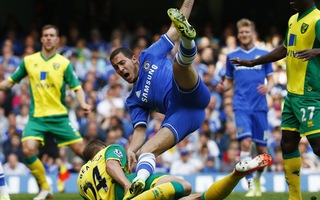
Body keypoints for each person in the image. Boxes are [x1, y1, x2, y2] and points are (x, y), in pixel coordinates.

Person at [109, 0, 211, 198]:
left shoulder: (149, 55)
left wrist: (189, 1)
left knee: (178, 67)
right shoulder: (133, 100)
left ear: (134, 59)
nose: (120, 69)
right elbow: (140, 130)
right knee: (146, 150)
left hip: (190, 92)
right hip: (182, 115)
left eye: (122, 63)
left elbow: (175, 27)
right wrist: (131, 149)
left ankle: (188, 39)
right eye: (116, 68)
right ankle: (138, 184)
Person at [230, 1, 320, 199]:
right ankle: (294, 197)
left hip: (311, 94)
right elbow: (284, 49)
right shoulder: (292, 20)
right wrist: (254, 62)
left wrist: (317, 51)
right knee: (287, 144)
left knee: (317, 145)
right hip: (292, 95)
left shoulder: (317, 20)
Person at [0, 24, 91, 200]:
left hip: (59, 117)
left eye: (52, 35)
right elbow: (10, 82)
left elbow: (77, 87)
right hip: (37, 118)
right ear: (41, 39)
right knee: (27, 149)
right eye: (46, 35)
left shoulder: (64, 63)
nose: (49, 38)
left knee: (84, 151)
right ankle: (45, 188)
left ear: (57, 40)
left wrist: (83, 103)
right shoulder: (29, 61)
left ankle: (106, 183)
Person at [77, 139, 272, 200]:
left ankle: (236, 174)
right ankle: (236, 175)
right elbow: (112, 165)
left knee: (194, 197)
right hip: (131, 191)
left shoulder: (80, 181)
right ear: (101, 149)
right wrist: (128, 184)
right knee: (184, 186)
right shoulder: (109, 151)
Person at [216, 18, 274, 197]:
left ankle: (257, 180)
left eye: (247, 31)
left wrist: (268, 87)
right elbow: (228, 83)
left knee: (263, 151)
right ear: (238, 34)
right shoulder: (232, 57)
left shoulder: (264, 54)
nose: (243, 34)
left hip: (260, 107)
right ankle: (250, 186)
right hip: (241, 106)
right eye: (241, 32)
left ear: (253, 33)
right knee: (246, 142)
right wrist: (222, 87)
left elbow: (271, 78)